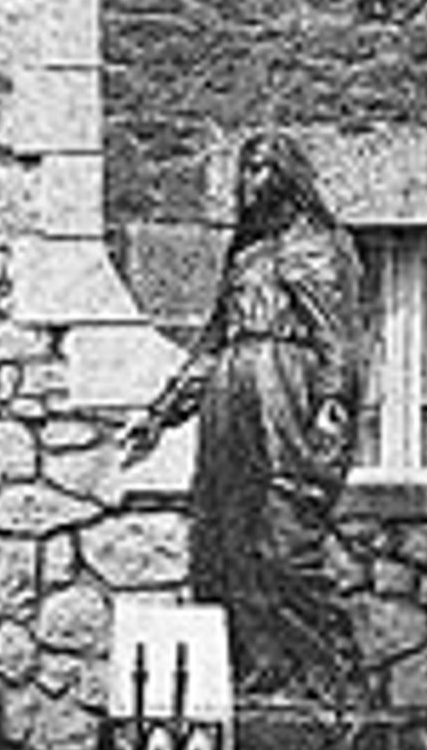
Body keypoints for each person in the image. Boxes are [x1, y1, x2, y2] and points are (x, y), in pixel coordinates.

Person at [118, 133, 365, 700]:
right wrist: (160, 414)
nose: (252, 181)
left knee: (285, 544)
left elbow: (339, 341)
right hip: (230, 398)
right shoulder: (246, 255)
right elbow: (211, 346)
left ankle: (337, 681)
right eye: (247, 169)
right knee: (225, 542)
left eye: (264, 168)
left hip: (285, 392)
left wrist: (331, 411)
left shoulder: (319, 246)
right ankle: (261, 672)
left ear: (290, 176)